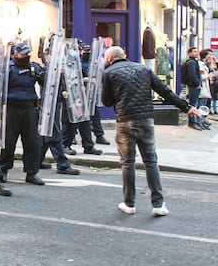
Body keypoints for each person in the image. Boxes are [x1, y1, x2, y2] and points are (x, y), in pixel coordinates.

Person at [101, 46, 201, 216]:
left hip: (125, 121)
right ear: (124, 56)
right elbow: (165, 91)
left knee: (127, 162)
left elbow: (107, 101)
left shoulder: (109, 72)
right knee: (151, 162)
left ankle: (129, 204)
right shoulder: (143, 69)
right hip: (145, 119)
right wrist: (187, 107)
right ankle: (159, 204)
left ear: (110, 59)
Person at [0, 42, 45, 185]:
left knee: (32, 142)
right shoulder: (8, 68)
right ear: (14, 54)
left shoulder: (34, 67)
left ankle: (32, 172)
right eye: (23, 53)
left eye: (27, 53)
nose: (26, 55)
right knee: (8, 141)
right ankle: (3, 170)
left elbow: (45, 82)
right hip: (12, 109)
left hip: (29, 108)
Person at [37, 46, 80, 175]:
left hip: (55, 104)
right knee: (54, 133)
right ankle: (62, 164)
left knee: (46, 134)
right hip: (47, 106)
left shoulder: (59, 69)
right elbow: (46, 89)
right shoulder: (43, 69)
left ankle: (37, 161)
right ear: (47, 56)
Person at [61, 42, 103, 156]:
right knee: (70, 122)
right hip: (68, 97)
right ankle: (65, 144)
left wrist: (85, 83)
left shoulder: (76, 64)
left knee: (84, 120)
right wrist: (62, 92)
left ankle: (88, 145)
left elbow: (83, 76)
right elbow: (55, 82)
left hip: (78, 95)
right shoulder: (60, 64)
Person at [182, 47, 204, 130]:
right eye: (194, 51)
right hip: (193, 86)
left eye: (197, 51)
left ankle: (193, 121)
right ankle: (192, 122)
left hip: (193, 85)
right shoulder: (191, 63)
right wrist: (197, 83)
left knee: (193, 103)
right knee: (193, 104)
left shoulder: (192, 62)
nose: (196, 53)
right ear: (189, 53)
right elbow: (192, 74)